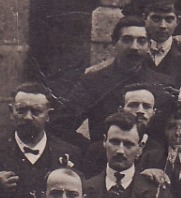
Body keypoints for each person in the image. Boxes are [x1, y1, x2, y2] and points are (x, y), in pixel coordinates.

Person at [54, 16, 173, 144]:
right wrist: (91, 149)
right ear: (114, 43)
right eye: (127, 40)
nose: (134, 47)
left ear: (149, 45)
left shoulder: (163, 84)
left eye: (141, 41)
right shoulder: (93, 81)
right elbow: (61, 125)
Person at [81, 113, 175, 198]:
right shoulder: (85, 189)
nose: (120, 150)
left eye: (128, 144)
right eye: (114, 142)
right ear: (104, 142)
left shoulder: (157, 193)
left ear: (140, 148)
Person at [140, 0, 181, 87]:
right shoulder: (135, 50)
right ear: (145, 18)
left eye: (169, 19)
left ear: (178, 21)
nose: (163, 25)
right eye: (156, 19)